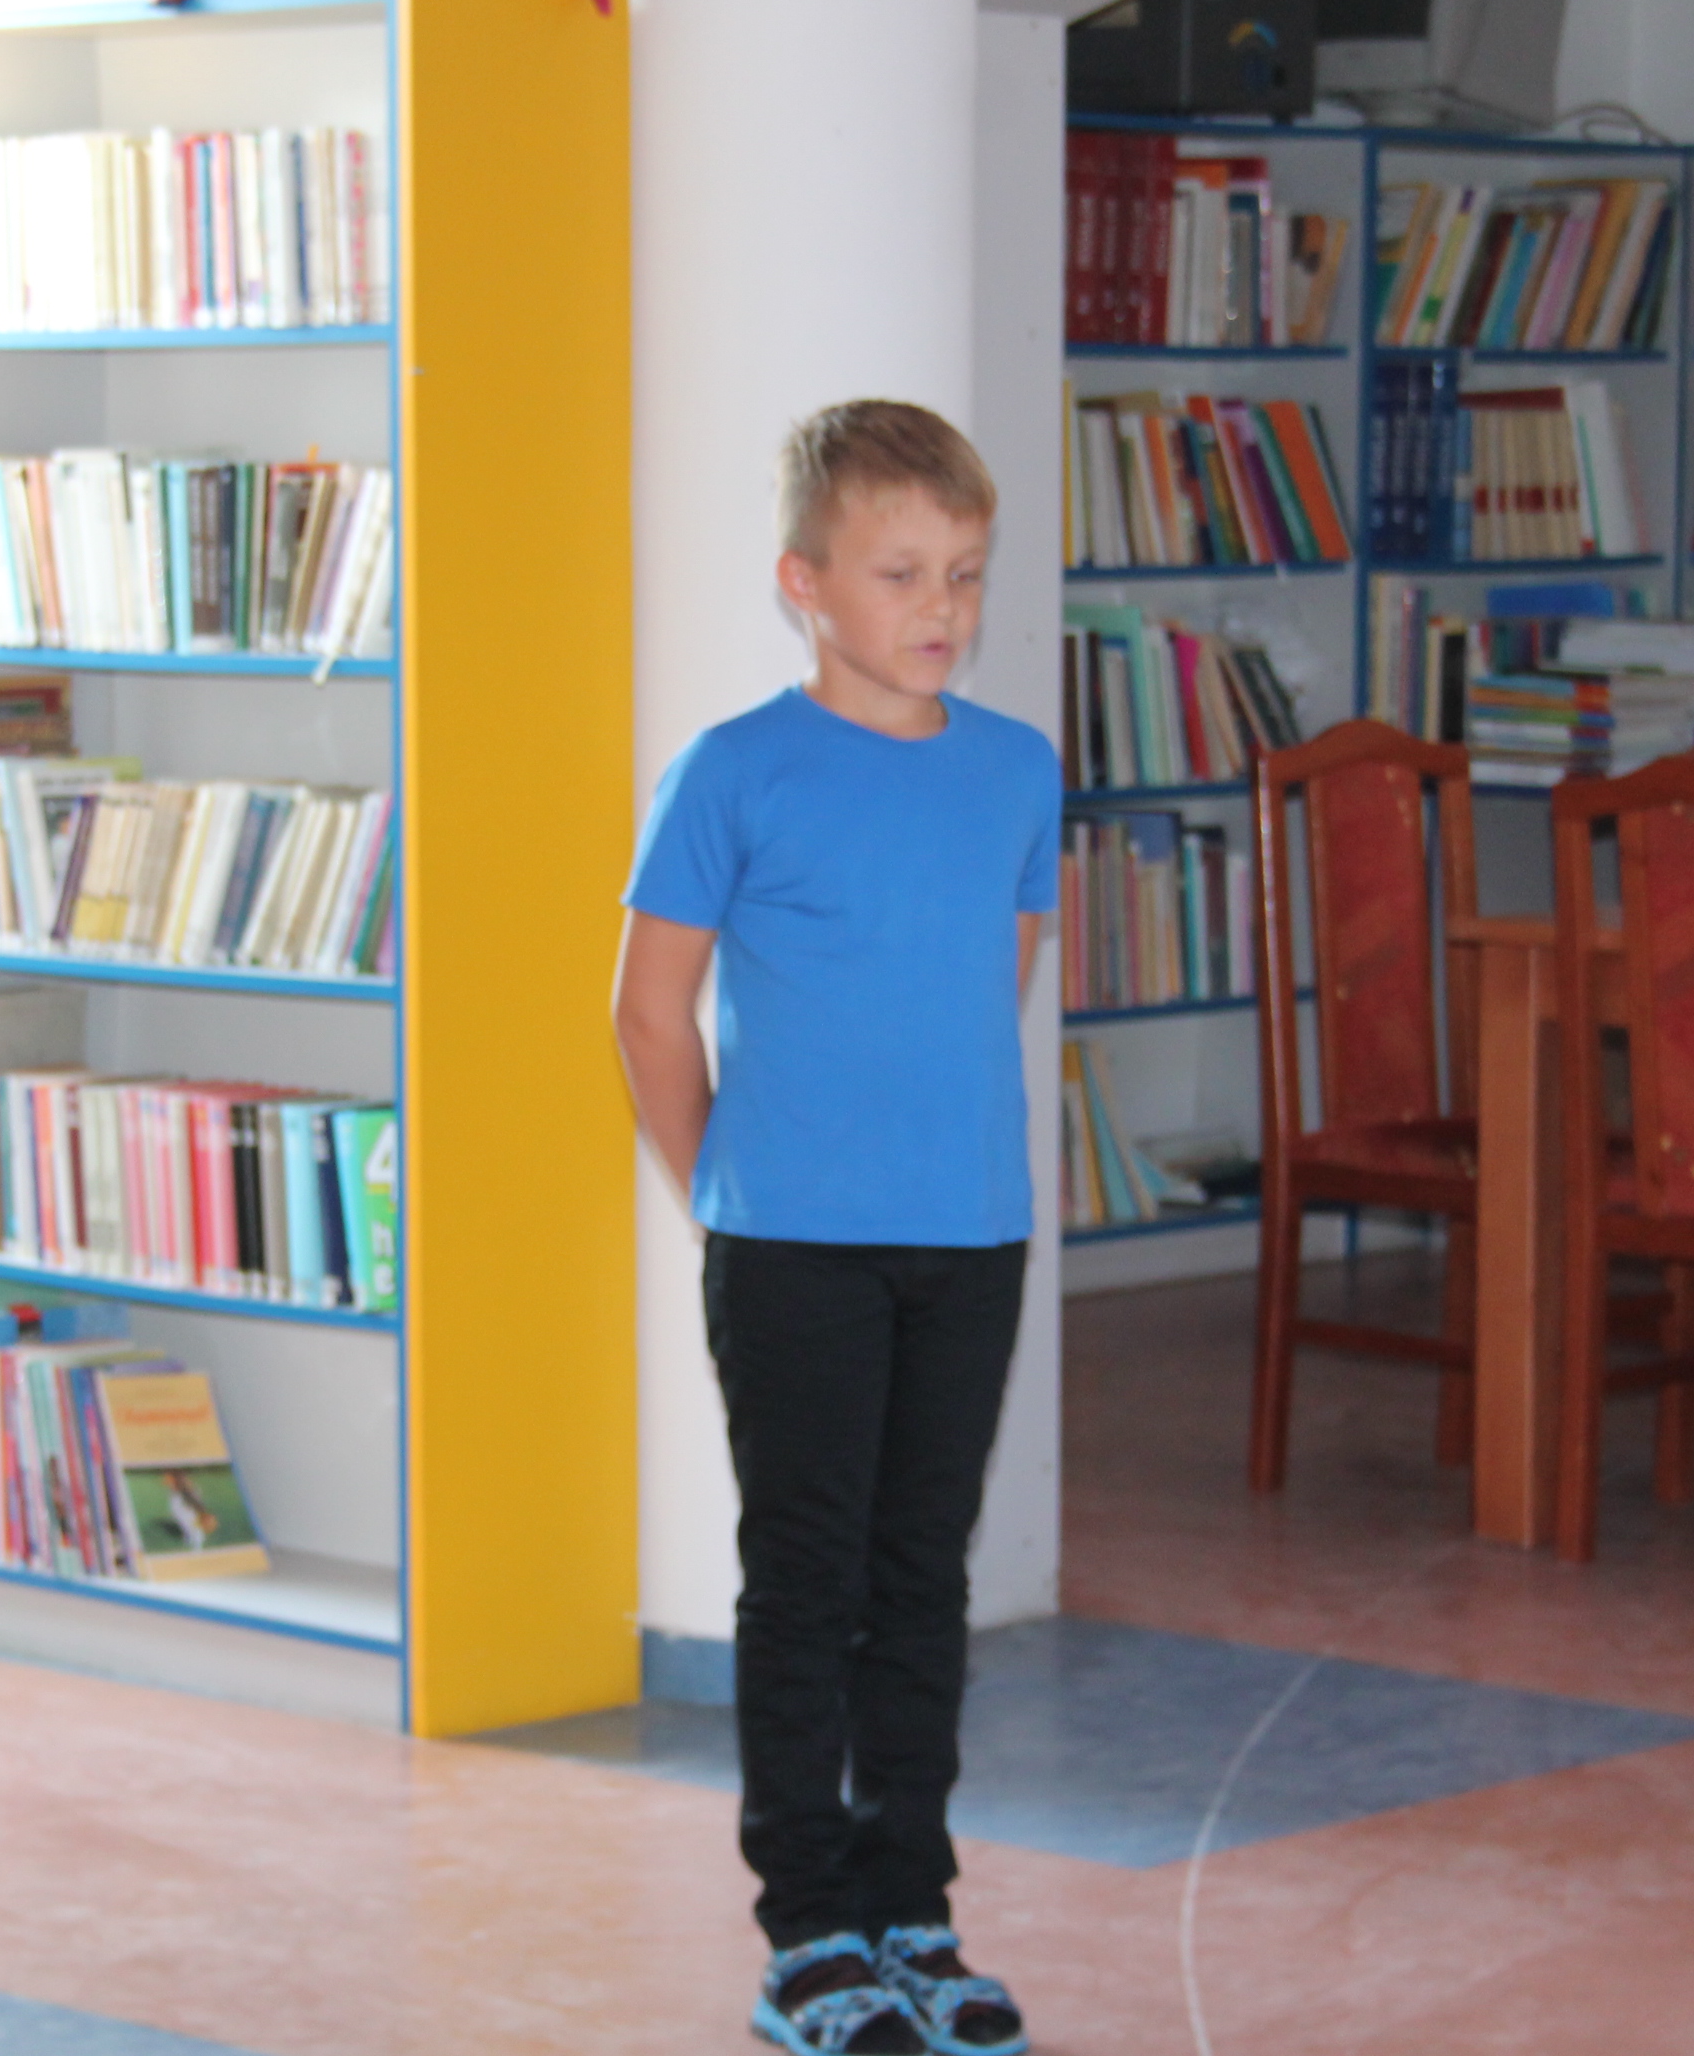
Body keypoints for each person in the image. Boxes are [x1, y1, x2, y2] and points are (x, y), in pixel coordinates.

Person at [614, 400, 1053, 2056]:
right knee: (804, 1584)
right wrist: (730, 1191)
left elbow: (993, 977)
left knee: (921, 1577)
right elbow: (648, 1014)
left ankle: (911, 1909)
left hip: (970, 1239)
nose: (941, 606)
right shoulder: (733, 772)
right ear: (803, 582)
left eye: (965, 572)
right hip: (791, 1249)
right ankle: (808, 1931)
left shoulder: (1017, 769)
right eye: (900, 571)